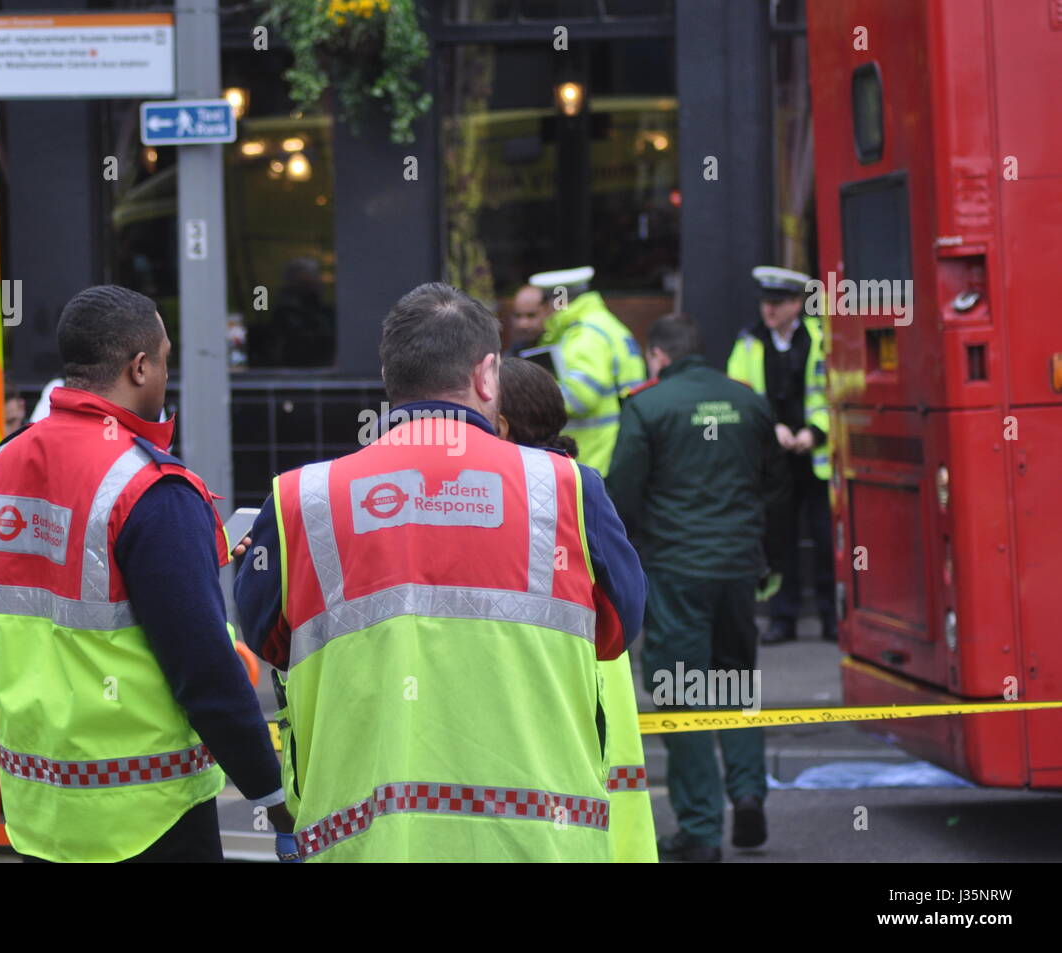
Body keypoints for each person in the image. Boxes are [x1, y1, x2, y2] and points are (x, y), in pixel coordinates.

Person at [235, 282, 647, 862]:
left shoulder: (302, 499)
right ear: (487, 375)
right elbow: (616, 631)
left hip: (363, 840)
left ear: (389, 375)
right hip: (536, 840)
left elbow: (269, 641)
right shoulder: (569, 491)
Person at [0, 285, 292, 863]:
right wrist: (273, 793)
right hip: (148, 818)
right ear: (140, 366)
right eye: (165, 358)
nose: (167, 374)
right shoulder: (152, 488)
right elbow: (204, 672)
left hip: (40, 815)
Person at [607, 313, 789, 862]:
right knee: (733, 684)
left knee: (682, 695)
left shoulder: (648, 405)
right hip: (738, 567)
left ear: (658, 356)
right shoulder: (748, 401)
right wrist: (765, 558)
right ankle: (749, 792)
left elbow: (624, 497)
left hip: (677, 570)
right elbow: (776, 486)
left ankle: (702, 829)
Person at [498, 357, 657, 863]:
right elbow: (627, 602)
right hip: (587, 688)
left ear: (501, 424)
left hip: (566, 694)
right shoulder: (576, 482)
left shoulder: (558, 486)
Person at [727, 266, 835, 644]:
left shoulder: (821, 338)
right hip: (773, 462)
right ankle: (782, 619)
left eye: (776, 304)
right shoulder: (748, 344)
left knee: (826, 540)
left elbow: (836, 394)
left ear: (796, 304)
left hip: (817, 458)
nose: (768, 311)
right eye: (764, 303)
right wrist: (772, 427)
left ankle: (831, 618)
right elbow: (739, 398)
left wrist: (815, 432)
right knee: (778, 542)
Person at [522, 267, 646, 475]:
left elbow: (580, 397)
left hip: (594, 456)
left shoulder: (584, 336)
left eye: (541, 304)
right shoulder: (605, 324)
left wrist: (532, 394)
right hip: (615, 452)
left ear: (556, 301)